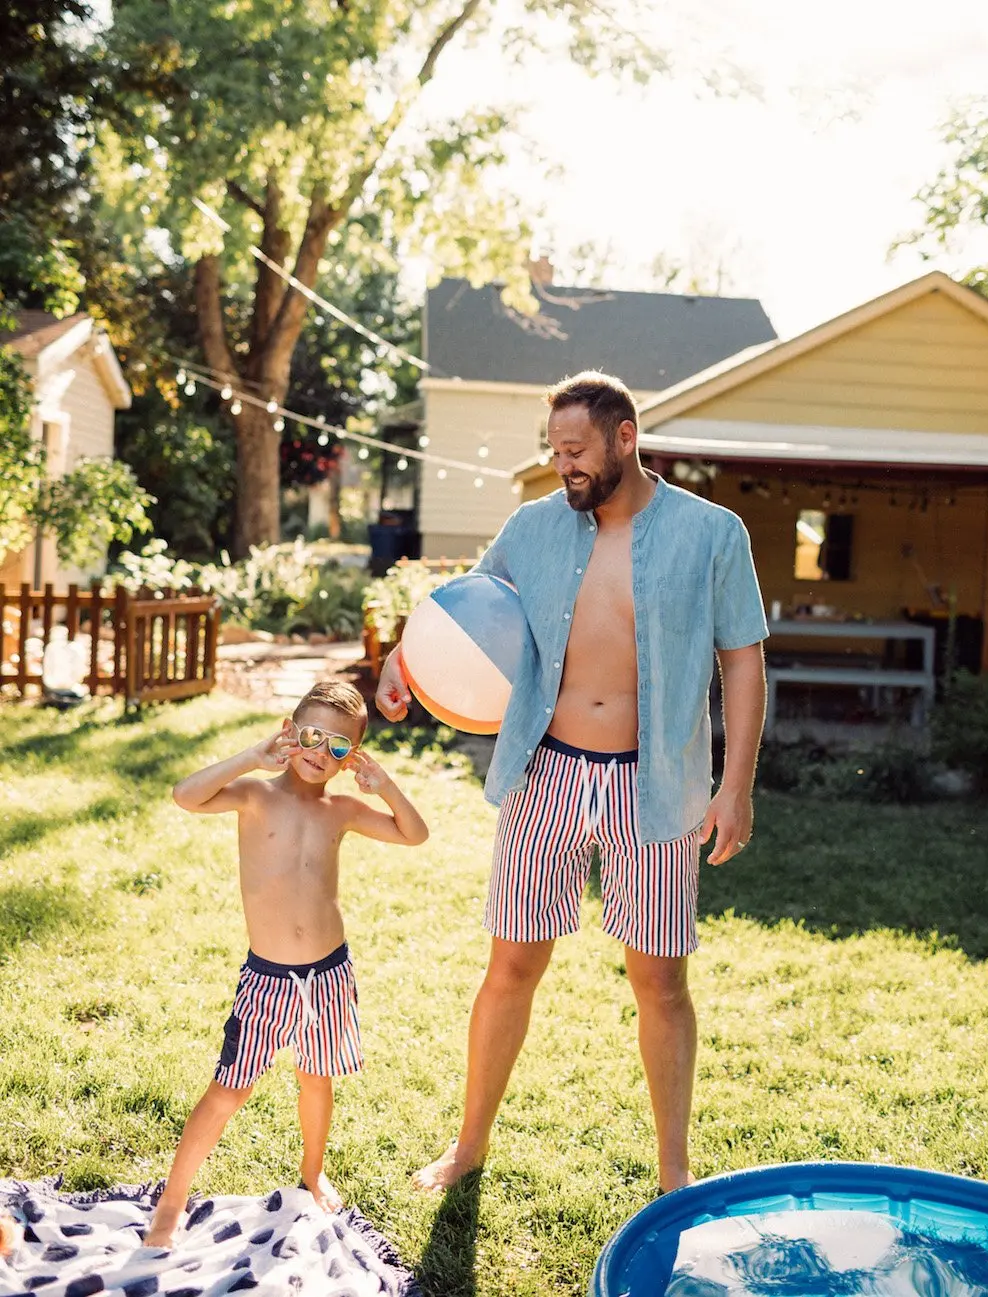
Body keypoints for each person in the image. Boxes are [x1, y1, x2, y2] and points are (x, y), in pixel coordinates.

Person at [376, 371, 768, 1196]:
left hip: (655, 787)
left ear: (626, 437)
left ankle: (672, 1168)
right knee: (509, 967)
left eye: (578, 451)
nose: (565, 467)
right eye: (556, 452)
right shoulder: (532, 527)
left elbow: (743, 659)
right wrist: (398, 661)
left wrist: (735, 787)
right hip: (546, 771)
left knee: (660, 980)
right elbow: (465, 611)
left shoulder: (712, 533)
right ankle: (468, 1145)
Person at [144, 681, 428, 1247]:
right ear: (289, 733)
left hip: (329, 974)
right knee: (228, 1089)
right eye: (311, 738)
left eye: (339, 749)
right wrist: (253, 755)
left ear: (352, 759)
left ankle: (312, 1171)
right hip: (267, 978)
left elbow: (414, 834)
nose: (321, 754)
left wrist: (385, 785)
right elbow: (185, 794)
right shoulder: (254, 795)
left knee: (315, 1078)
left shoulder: (343, 809)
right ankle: (170, 1206)